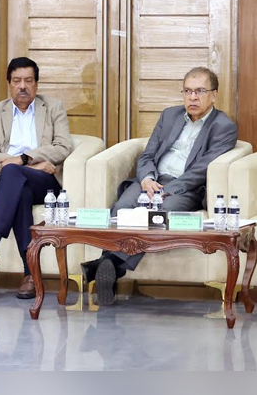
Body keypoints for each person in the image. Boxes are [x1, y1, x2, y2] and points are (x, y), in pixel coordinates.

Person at [81, 67, 237, 305]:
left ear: (214, 95)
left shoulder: (223, 126)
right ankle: (110, 268)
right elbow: (147, 155)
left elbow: (201, 169)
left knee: (156, 215)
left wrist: (168, 190)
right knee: (121, 209)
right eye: (187, 91)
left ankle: (108, 265)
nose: (192, 97)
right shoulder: (169, 115)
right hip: (152, 181)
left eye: (200, 91)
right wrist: (146, 178)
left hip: (184, 189)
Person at [0, 57, 73, 299]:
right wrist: (25, 164)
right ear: (9, 84)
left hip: (43, 181)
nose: (22, 86)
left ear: (36, 84)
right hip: (10, 180)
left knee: (13, 171)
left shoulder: (53, 107)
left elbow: (62, 147)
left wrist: (25, 159)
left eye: (28, 81)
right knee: (18, 188)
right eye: (17, 81)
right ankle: (31, 275)